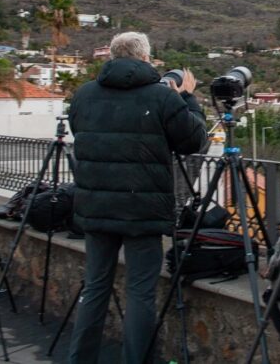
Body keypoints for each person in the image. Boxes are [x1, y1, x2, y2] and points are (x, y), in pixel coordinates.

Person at [68, 31, 208, 364]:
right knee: (140, 293)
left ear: (112, 57)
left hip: (96, 207)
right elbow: (194, 140)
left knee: (95, 287)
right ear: (146, 58)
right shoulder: (161, 98)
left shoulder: (84, 95)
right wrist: (187, 97)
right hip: (141, 211)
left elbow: (81, 135)